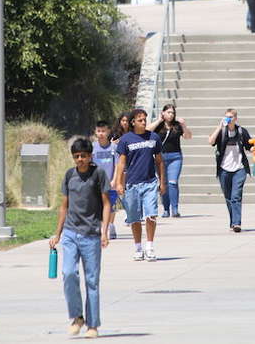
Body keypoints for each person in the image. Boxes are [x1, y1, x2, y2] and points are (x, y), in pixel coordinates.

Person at [49, 138, 112, 338]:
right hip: (70, 233)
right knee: (68, 273)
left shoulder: (98, 174)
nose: (80, 160)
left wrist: (104, 231)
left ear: (90, 156)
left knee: (92, 281)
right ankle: (77, 317)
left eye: (83, 156)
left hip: (91, 235)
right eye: (76, 156)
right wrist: (57, 233)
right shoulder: (69, 176)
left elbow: (107, 204)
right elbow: (63, 206)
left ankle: (93, 325)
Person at [115, 109, 166, 261]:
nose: (143, 122)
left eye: (145, 119)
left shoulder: (154, 137)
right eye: (140, 120)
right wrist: (118, 182)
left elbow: (159, 161)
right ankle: (138, 247)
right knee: (134, 218)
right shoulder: (126, 140)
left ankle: (149, 246)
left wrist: (162, 182)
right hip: (132, 184)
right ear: (133, 122)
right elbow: (121, 163)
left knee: (151, 215)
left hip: (150, 182)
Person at [208, 108, 254, 232]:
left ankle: (237, 223)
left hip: (239, 168)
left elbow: (250, 146)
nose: (228, 119)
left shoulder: (241, 131)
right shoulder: (222, 131)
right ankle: (232, 221)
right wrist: (219, 127)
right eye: (226, 117)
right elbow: (211, 141)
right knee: (228, 197)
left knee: (236, 196)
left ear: (236, 118)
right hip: (224, 169)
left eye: (231, 117)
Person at [147, 104, 192, 218]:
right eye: (168, 112)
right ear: (163, 113)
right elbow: (146, 131)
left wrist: (184, 125)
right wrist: (158, 120)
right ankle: (166, 209)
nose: (171, 115)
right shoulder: (158, 125)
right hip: (160, 158)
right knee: (163, 183)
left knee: (173, 182)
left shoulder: (177, 125)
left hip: (175, 157)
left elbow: (188, 136)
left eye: (172, 112)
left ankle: (175, 209)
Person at [93, 120, 119, 239]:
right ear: (95, 132)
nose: (101, 133)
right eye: (99, 131)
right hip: (97, 183)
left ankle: (110, 225)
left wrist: (115, 180)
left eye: (103, 131)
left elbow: (118, 166)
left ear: (108, 132)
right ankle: (102, 227)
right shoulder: (93, 147)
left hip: (111, 182)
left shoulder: (114, 148)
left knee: (111, 206)